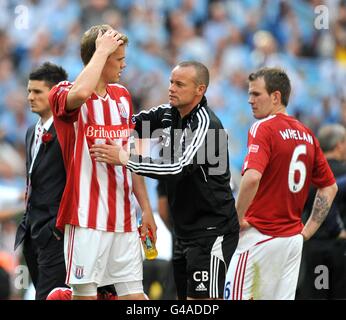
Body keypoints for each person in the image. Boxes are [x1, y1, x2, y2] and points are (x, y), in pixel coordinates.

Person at [90, 61, 240, 300]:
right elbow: (125, 125)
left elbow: (177, 167)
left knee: (203, 302)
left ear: (200, 90)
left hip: (211, 231)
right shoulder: (168, 114)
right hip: (183, 231)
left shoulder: (205, 124)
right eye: (171, 82)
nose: (171, 88)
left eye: (180, 84)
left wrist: (124, 157)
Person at [48, 24, 156, 300]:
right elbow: (82, 94)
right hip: (86, 219)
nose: (123, 65)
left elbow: (133, 156)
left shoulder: (122, 97)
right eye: (118, 59)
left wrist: (146, 209)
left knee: (136, 297)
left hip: (124, 219)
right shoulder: (62, 92)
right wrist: (101, 50)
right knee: (85, 295)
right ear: (101, 56)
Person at [223, 67, 338, 300]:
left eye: (256, 94)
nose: (250, 100)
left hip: (260, 236)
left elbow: (252, 177)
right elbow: (329, 186)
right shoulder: (307, 134)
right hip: (291, 241)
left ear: (276, 97)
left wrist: (236, 218)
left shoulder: (263, 128)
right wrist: (306, 232)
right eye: (249, 94)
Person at [14, 62, 68, 300]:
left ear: (55, 93)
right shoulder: (30, 131)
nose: (30, 97)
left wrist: (57, 227)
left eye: (37, 92)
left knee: (49, 296)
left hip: (55, 234)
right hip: (32, 234)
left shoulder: (68, 131)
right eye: (28, 91)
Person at [298, 124, 346, 299]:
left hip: (312, 246)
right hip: (339, 249)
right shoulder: (342, 173)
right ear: (339, 145)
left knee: (317, 294)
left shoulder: (305, 172)